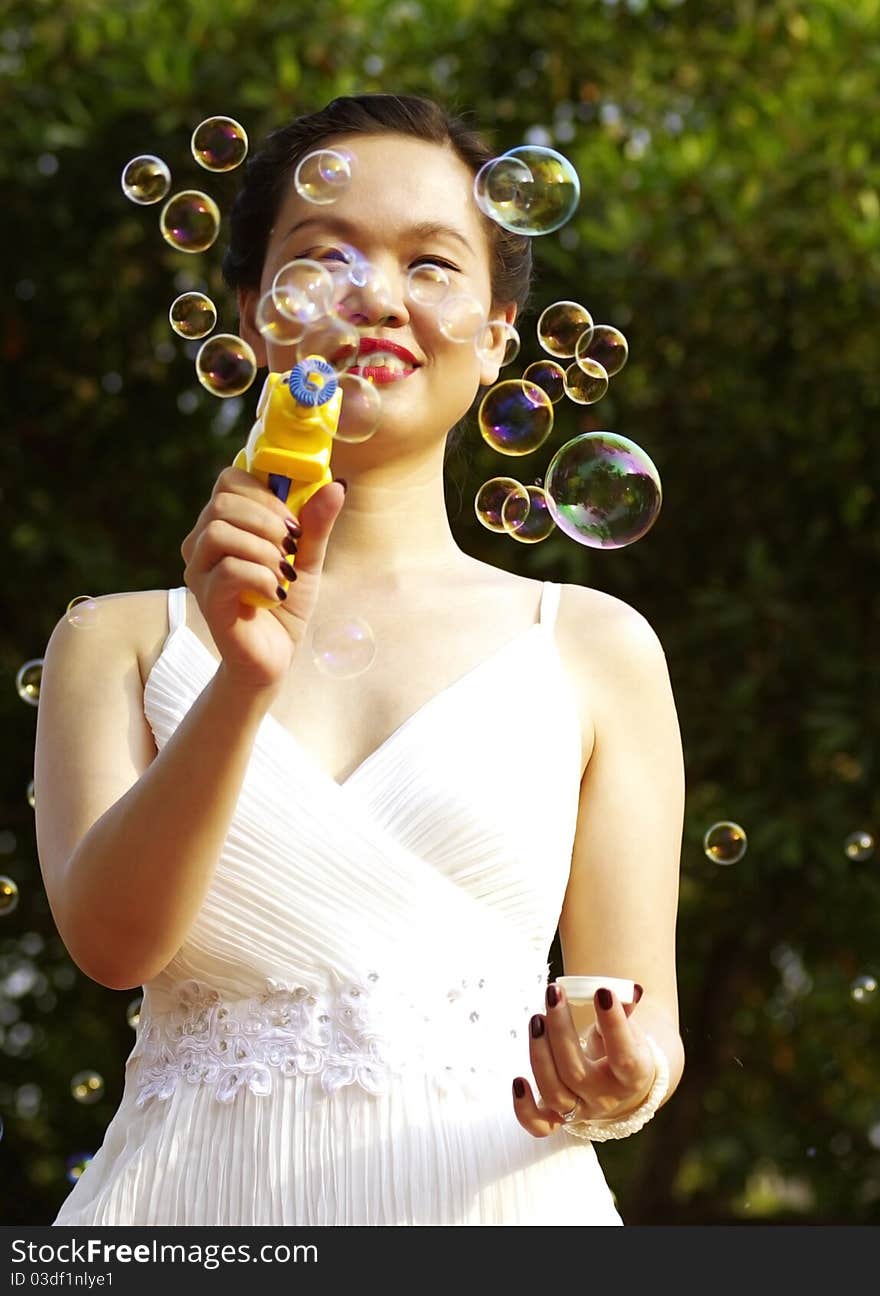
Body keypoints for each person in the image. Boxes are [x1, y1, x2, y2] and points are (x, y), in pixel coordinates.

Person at [34, 93, 685, 1226]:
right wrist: (241, 678)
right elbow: (113, 945)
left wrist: (623, 1076)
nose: (375, 295)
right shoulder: (117, 641)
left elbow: (642, 1023)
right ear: (252, 312)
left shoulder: (593, 649)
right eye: (322, 256)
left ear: (495, 338)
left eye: (432, 263)